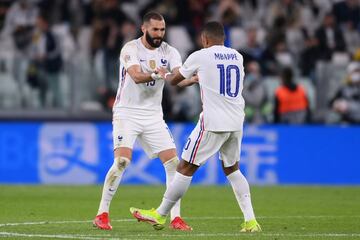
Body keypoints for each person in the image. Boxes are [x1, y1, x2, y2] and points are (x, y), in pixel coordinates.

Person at [129, 21, 261, 233]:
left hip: (212, 122)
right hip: (236, 121)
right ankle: (251, 221)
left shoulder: (200, 55)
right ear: (223, 39)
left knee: (185, 167)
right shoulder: (237, 56)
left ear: (205, 39)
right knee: (232, 169)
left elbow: (174, 80)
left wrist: (162, 73)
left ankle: (160, 214)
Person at [93, 12, 196, 231]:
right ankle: (102, 213)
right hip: (126, 112)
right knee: (122, 162)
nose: (159, 34)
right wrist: (158, 75)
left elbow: (177, 77)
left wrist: (193, 79)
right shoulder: (130, 49)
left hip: (153, 115)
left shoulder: (170, 51)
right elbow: (137, 76)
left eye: (162, 30)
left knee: (173, 164)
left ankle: (176, 218)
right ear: (144, 29)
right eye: (155, 30)